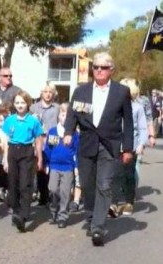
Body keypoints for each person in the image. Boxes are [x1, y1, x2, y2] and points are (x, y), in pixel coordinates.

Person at [63, 52, 134, 246]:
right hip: (86, 144)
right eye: (96, 67)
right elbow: (72, 114)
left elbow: (128, 122)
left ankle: (98, 227)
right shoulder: (81, 91)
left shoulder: (121, 91)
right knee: (87, 184)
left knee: (104, 184)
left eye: (103, 67)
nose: (99, 70)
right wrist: (68, 132)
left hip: (110, 146)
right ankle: (92, 213)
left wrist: (128, 149)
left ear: (111, 70)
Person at [2, 90, 43, 232]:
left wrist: (39, 158)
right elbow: (6, 140)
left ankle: (23, 215)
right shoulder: (9, 120)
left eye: (23, 103)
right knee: (12, 184)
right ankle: (16, 210)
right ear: (14, 104)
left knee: (25, 184)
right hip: (13, 151)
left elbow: (38, 140)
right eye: (17, 102)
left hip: (27, 151)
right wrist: (5, 159)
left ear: (28, 104)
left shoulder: (33, 120)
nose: (20, 105)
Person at [110, 78, 148, 217]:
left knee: (128, 176)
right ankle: (113, 204)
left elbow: (143, 128)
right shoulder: (113, 106)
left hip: (131, 147)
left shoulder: (137, 108)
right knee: (114, 175)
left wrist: (141, 144)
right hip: (115, 146)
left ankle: (128, 202)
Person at [44, 103, 79, 228]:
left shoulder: (74, 134)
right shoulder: (53, 131)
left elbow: (76, 151)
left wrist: (76, 167)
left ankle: (62, 215)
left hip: (68, 167)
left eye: (67, 116)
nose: (64, 118)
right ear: (59, 116)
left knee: (65, 192)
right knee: (53, 189)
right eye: (63, 115)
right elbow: (48, 149)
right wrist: (47, 163)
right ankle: (54, 209)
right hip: (54, 166)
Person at [30, 83, 60, 207]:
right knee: (40, 167)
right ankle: (42, 196)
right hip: (38, 139)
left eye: (50, 92)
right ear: (41, 93)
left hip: (53, 139)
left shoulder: (57, 108)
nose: (48, 94)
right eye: (45, 91)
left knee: (51, 166)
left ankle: (52, 195)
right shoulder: (33, 107)